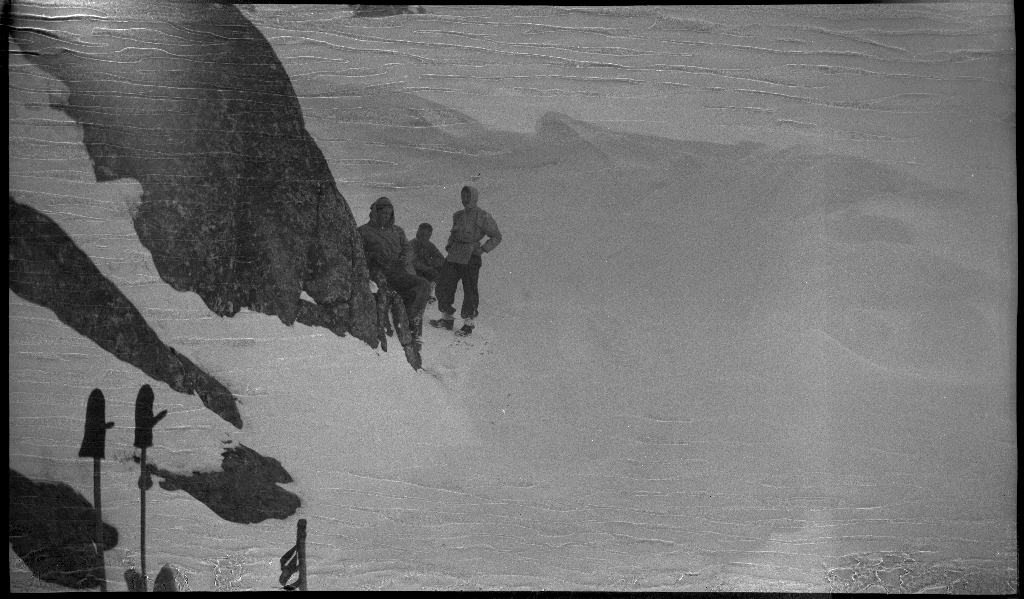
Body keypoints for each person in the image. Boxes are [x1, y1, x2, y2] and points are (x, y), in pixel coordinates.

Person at [429, 185, 502, 336]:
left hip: (471, 256)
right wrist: (449, 246)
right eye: (463, 196)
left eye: (468, 196)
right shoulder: (458, 215)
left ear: (474, 197)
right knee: (444, 284)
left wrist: (482, 249)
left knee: (469, 290)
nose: (465, 199)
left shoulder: (483, 216)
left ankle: (468, 324)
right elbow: (453, 234)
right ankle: (447, 318)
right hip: (455, 254)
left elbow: (496, 236)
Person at [358, 197, 431, 341]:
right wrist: (372, 256)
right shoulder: (363, 231)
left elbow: (409, 249)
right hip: (378, 274)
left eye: (389, 213)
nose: (386, 216)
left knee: (423, 284)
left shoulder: (397, 231)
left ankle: (413, 325)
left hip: (398, 272)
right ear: (375, 213)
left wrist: (404, 258)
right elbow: (357, 254)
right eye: (383, 213)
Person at [410, 223, 446, 302]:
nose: (424, 237)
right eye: (422, 235)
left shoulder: (430, 245)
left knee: (442, 269)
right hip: (414, 271)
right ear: (418, 234)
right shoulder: (412, 244)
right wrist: (426, 268)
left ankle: (430, 292)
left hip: (425, 270)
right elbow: (411, 262)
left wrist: (430, 261)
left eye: (427, 235)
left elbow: (441, 259)